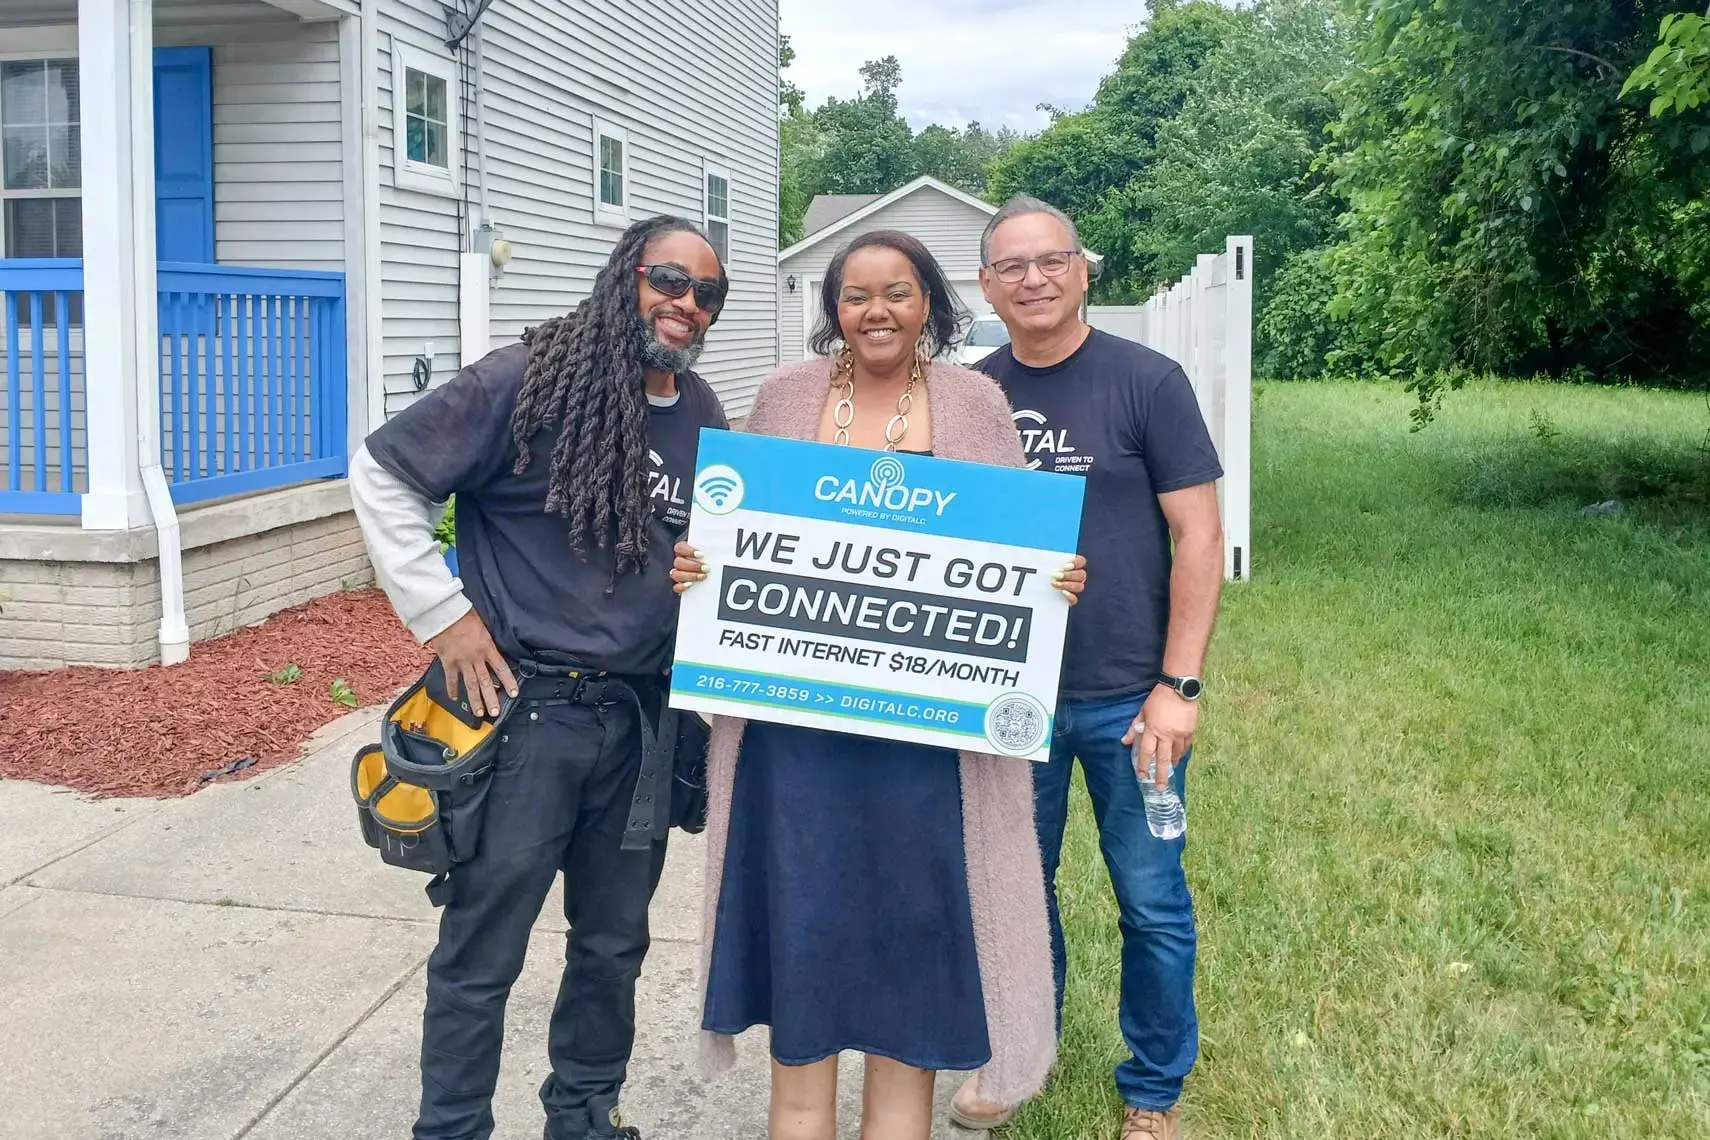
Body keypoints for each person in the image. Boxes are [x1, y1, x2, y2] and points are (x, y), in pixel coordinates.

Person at [671, 230, 1086, 1140]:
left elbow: (1018, 558)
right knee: (802, 996)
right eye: (856, 295)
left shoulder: (979, 405)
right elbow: (737, 536)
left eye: (896, 292)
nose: (877, 311)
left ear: (928, 302)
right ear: (834, 311)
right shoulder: (783, 398)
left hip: (928, 763)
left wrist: (1052, 580)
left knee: (912, 1011)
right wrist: (700, 571)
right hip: (795, 759)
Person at [346, 215, 731, 1140]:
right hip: (522, 715)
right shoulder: (527, 380)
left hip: (641, 721)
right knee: (483, 947)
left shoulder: (703, 412)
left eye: (706, 294)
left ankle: (584, 1119)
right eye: (669, 280)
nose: (685, 306)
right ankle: (452, 1129)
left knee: (613, 946)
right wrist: (445, 617)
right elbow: (382, 468)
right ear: (626, 276)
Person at [950, 197, 1226, 1140]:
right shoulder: (971, 398)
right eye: (1011, 266)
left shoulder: (1148, 381)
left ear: (1082, 270)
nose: (1033, 279)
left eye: (1050, 260)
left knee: (1149, 900)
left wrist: (1177, 686)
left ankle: (1153, 1089)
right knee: (1014, 893)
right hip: (1004, 699)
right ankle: (1022, 1054)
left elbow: (1200, 536)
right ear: (986, 285)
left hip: (1128, 698)